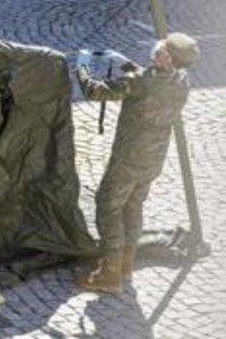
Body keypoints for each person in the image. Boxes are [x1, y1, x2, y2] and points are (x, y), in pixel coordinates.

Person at [75, 32, 200, 294]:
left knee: (107, 206)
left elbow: (94, 91)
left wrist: (82, 66)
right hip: (153, 158)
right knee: (133, 204)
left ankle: (109, 273)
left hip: (128, 158)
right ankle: (126, 261)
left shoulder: (140, 82)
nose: (159, 46)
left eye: (163, 47)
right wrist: (125, 63)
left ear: (167, 57)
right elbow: (151, 77)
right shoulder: (182, 81)